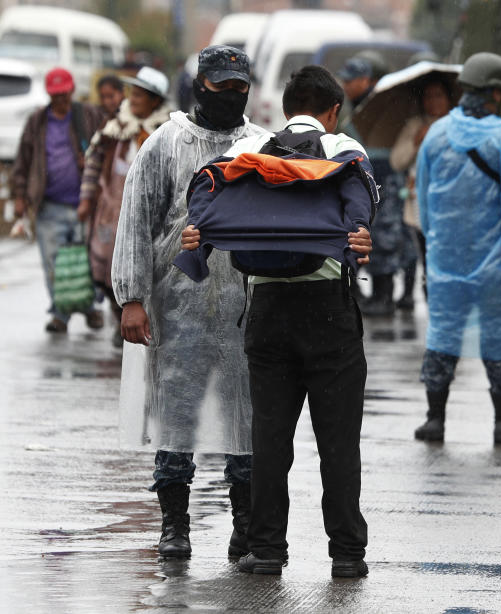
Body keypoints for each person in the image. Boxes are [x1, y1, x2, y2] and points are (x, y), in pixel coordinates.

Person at [180, 65, 375, 578]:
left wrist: (198, 229)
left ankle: (267, 550)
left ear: (287, 107)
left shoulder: (251, 150)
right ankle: (347, 554)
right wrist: (358, 230)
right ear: (333, 111)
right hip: (328, 312)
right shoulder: (340, 147)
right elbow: (361, 198)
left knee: (269, 440)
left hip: (266, 313)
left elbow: (204, 187)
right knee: (338, 442)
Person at [111, 45, 268, 560]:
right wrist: (131, 298)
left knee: (245, 422)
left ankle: (245, 528)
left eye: (238, 87)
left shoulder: (264, 148)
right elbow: (135, 224)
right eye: (220, 86)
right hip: (176, 312)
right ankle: (174, 525)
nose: (230, 95)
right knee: (175, 418)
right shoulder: (162, 145)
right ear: (200, 85)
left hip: (245, 313)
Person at [413, 52, 501, 444]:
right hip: (498, 265)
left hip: (446, 261)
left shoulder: (437, 135)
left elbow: (424, 200)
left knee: (442, 334)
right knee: (499, 337)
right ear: (495, 94)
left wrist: (436, 241)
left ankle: (435, 419)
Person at [79, 67, 173, 348]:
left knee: (145, 264)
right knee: (106, 263)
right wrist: (86, 198)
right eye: (132, 93)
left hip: (150, 214)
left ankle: (143, 316)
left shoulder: (166, 133)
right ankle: (117, 312)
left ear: (155, 101)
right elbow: (94, 163)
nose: (133, 99)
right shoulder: (115, 127)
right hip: (111, 209)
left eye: (141, 95)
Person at [12, 67, 103, 334]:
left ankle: (90, 308)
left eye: (64, 95)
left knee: (88, 261)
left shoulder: (87, 115)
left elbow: (107, 146)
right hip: (49, 205)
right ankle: (59, 314)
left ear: (72, 91)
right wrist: (19, 196)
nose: (60, 100)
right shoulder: (37, 121)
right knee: (53, 263)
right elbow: (23, 159)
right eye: (55, 96)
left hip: (86, 205)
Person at [338, 51, 411, 316]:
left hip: (384, 178)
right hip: (360, 176)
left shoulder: (384, 106)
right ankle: (362, 291)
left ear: (368, 81)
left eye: (352, 80)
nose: (346, 85)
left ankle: (384, 294)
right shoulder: (351, 108)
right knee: (358, 234)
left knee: (384, 237)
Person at [389, 76, 454, 308]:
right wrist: (416, 142)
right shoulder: (416, 126)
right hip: (420, 205)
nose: (433, 101)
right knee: (428, 260)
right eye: (428, 96)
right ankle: (434, 311)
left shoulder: (459, 124)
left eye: (438, 95)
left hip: (452, 205)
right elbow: (397, 161)